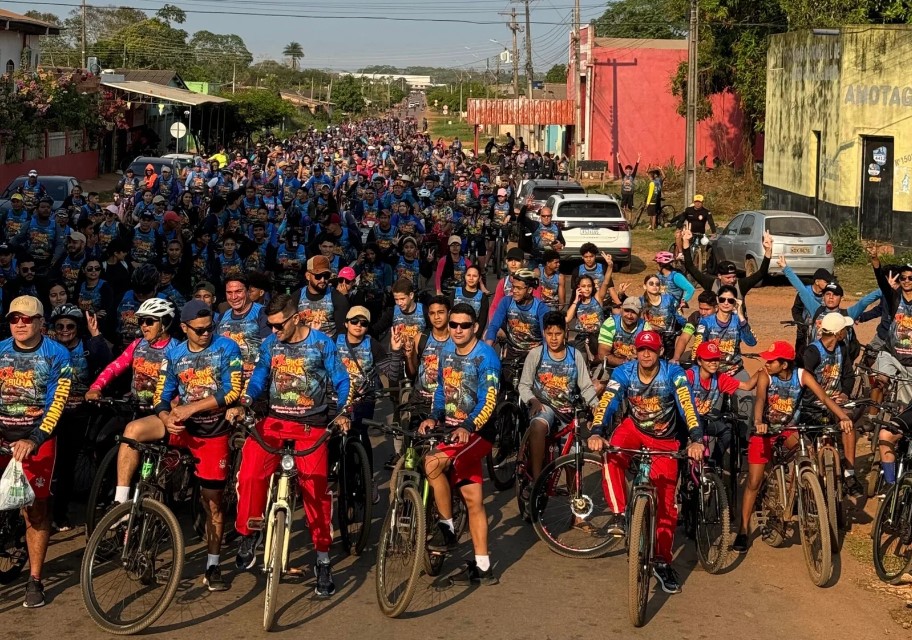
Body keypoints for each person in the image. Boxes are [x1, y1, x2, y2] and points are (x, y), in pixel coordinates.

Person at [113, 300, 243, 591]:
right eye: (199, 330)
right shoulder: (174, 354)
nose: (206, 333)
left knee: (213, 505)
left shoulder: (227, 348)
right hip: (180, 425)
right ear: (184, 328)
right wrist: (165, 416)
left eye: (210, 328)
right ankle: (121, 503)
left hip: (213, 430)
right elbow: (162, 396)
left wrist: (190, 409)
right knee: (133, 431)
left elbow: (232, 391)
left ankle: (213, 564)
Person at [230, 294, 350, 598]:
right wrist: (245, 400)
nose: (274, 331)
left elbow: (341, 380)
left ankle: (323, 559)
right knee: (250, 472)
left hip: (312, 426)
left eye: (278, 325)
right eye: (269, 326)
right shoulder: (270, 345)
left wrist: (343, 412)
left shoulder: (323, 344)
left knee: (315, 490)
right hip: (274, 422)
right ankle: (249, 533)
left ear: (296, 317)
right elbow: (259, 377)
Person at [588, 330, 703, 594]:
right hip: (634, 429)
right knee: (611, 454)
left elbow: (687, 406)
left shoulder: (674, 375)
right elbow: (608, 401)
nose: (646, 354)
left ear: (661, 351)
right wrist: (596, 431)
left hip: (665, 439)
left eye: (651, 349)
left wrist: (696, 438)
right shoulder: (624, 373)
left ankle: (662, 561)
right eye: (641, 349)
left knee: (666, 505)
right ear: (635, 352)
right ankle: (619, 515)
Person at [733, 340, 853, 554]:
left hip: (788, 428)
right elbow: (760, 399)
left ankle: (803, 494)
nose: (766, 363)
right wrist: (759, 421)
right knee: (754, 481)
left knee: (806, 453)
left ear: (785, 364)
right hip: (764, 431)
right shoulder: (764, 375)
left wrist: (843, 416)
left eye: (771, 360)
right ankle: (743, 529)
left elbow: (824, 397)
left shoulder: (802, 376)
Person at [419, 303, 501, 586]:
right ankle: (483, 567)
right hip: (453, 430)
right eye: (453, 324)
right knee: (473, 500)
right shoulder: (446, 353)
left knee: (431, 462)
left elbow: (489, 399)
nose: (457, 330)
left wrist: (468, 426)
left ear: (475, 327)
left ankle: (447, 527)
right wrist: (433, 416)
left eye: (464, 325)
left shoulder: (486, 357)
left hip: (477, 433)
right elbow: (442, 390)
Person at [0, 296, 71, 608]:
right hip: (1, 433)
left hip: (37, 438)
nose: (19, 324)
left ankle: (35, 579)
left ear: (42, 322)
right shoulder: (1, 349)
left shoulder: (58, 354)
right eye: (14, 318)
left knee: (36, 510)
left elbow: (58, 401)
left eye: (27, 319)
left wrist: (36, 437)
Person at [48, 304, 112, 531]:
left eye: (70, 326)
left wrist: (96, 336)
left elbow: (107, 364)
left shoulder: (87, 347)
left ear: (78, 328)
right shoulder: (49, 347)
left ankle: (60, 513)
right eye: (60, 326)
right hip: (51, 412)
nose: (65, 330)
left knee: (66, 464)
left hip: (80, 413)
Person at [519, 312, 599, 488]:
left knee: (573, 461)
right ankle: (538, 480)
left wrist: (595, 405)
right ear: (544, 333)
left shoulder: (575, 355)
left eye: (558, 333)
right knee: (538, 425)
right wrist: (533, 400)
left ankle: (574, 506)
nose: (553, 338)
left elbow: (585, 386)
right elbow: (524, 385)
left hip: (568, 413)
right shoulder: (536, 354)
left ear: (566, 332)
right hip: (544, 406)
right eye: (549, 334)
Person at [802, 313, 863, 498]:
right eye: (844, 329)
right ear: (838, 333)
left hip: (836, 401)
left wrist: (844, 394)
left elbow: (848, 375)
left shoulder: (841, 348)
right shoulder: (812, 352)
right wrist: (824, 399)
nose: (847, 332)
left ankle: (849, 474)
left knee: (848, 424)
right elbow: (804, 381)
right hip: (812, 404)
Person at [86, 298, 179, 406]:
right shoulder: (137, 344)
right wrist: (96, 387)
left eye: (149, 321)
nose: (144, 325)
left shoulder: (177, 348)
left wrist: (176, 401)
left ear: (164, 323)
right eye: (141, 321)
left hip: (163, 410)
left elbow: (185, 384)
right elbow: (114, 368)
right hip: (135, 406)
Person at [685, 341, 754, 467]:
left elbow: (747, 386)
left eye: (716, 359)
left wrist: (762, 371)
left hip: (703, 422)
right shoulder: (689, 376)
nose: (714, 362)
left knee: (726, 431)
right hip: (685, 423)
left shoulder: (720, 378)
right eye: (709, 359)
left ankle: (713, 464)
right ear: (699, 361)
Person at [680, 224, 773, 314]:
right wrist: (686, 242)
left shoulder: (741, 285)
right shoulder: (711, 284)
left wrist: (768, 250)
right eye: (728, 277)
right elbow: (691, 267)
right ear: (719, 276)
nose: (732, 280)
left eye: (734, 277)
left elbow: (761, 273)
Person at [216, 276, 270, 381]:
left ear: (248, 292)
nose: (234, 297)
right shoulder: (222, 317)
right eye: (229, 292)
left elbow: (268, 347)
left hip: (256, 381)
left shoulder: (262, 313)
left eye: (238, 291)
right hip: (228, 382)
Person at [295, 255, 350, 338]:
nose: (322, 280)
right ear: (308, 276)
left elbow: (342, 332)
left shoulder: (337, 298)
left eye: (326, 276)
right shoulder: (296, 297)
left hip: (330, 346)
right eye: (318, 276)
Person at [616, 152, 640, 218]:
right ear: (625, 170)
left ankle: (630, 220)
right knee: (623, 207)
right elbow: (620, 166)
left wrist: (639, 158)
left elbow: (636, 167)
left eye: (630, 170)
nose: (628, 171)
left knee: (630, 208)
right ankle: (624, 218)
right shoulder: (623, 176)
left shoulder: (632, 176)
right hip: (624, 193)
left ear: (631, 171)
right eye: (627, 170)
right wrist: (617, 157)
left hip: (630, 194)